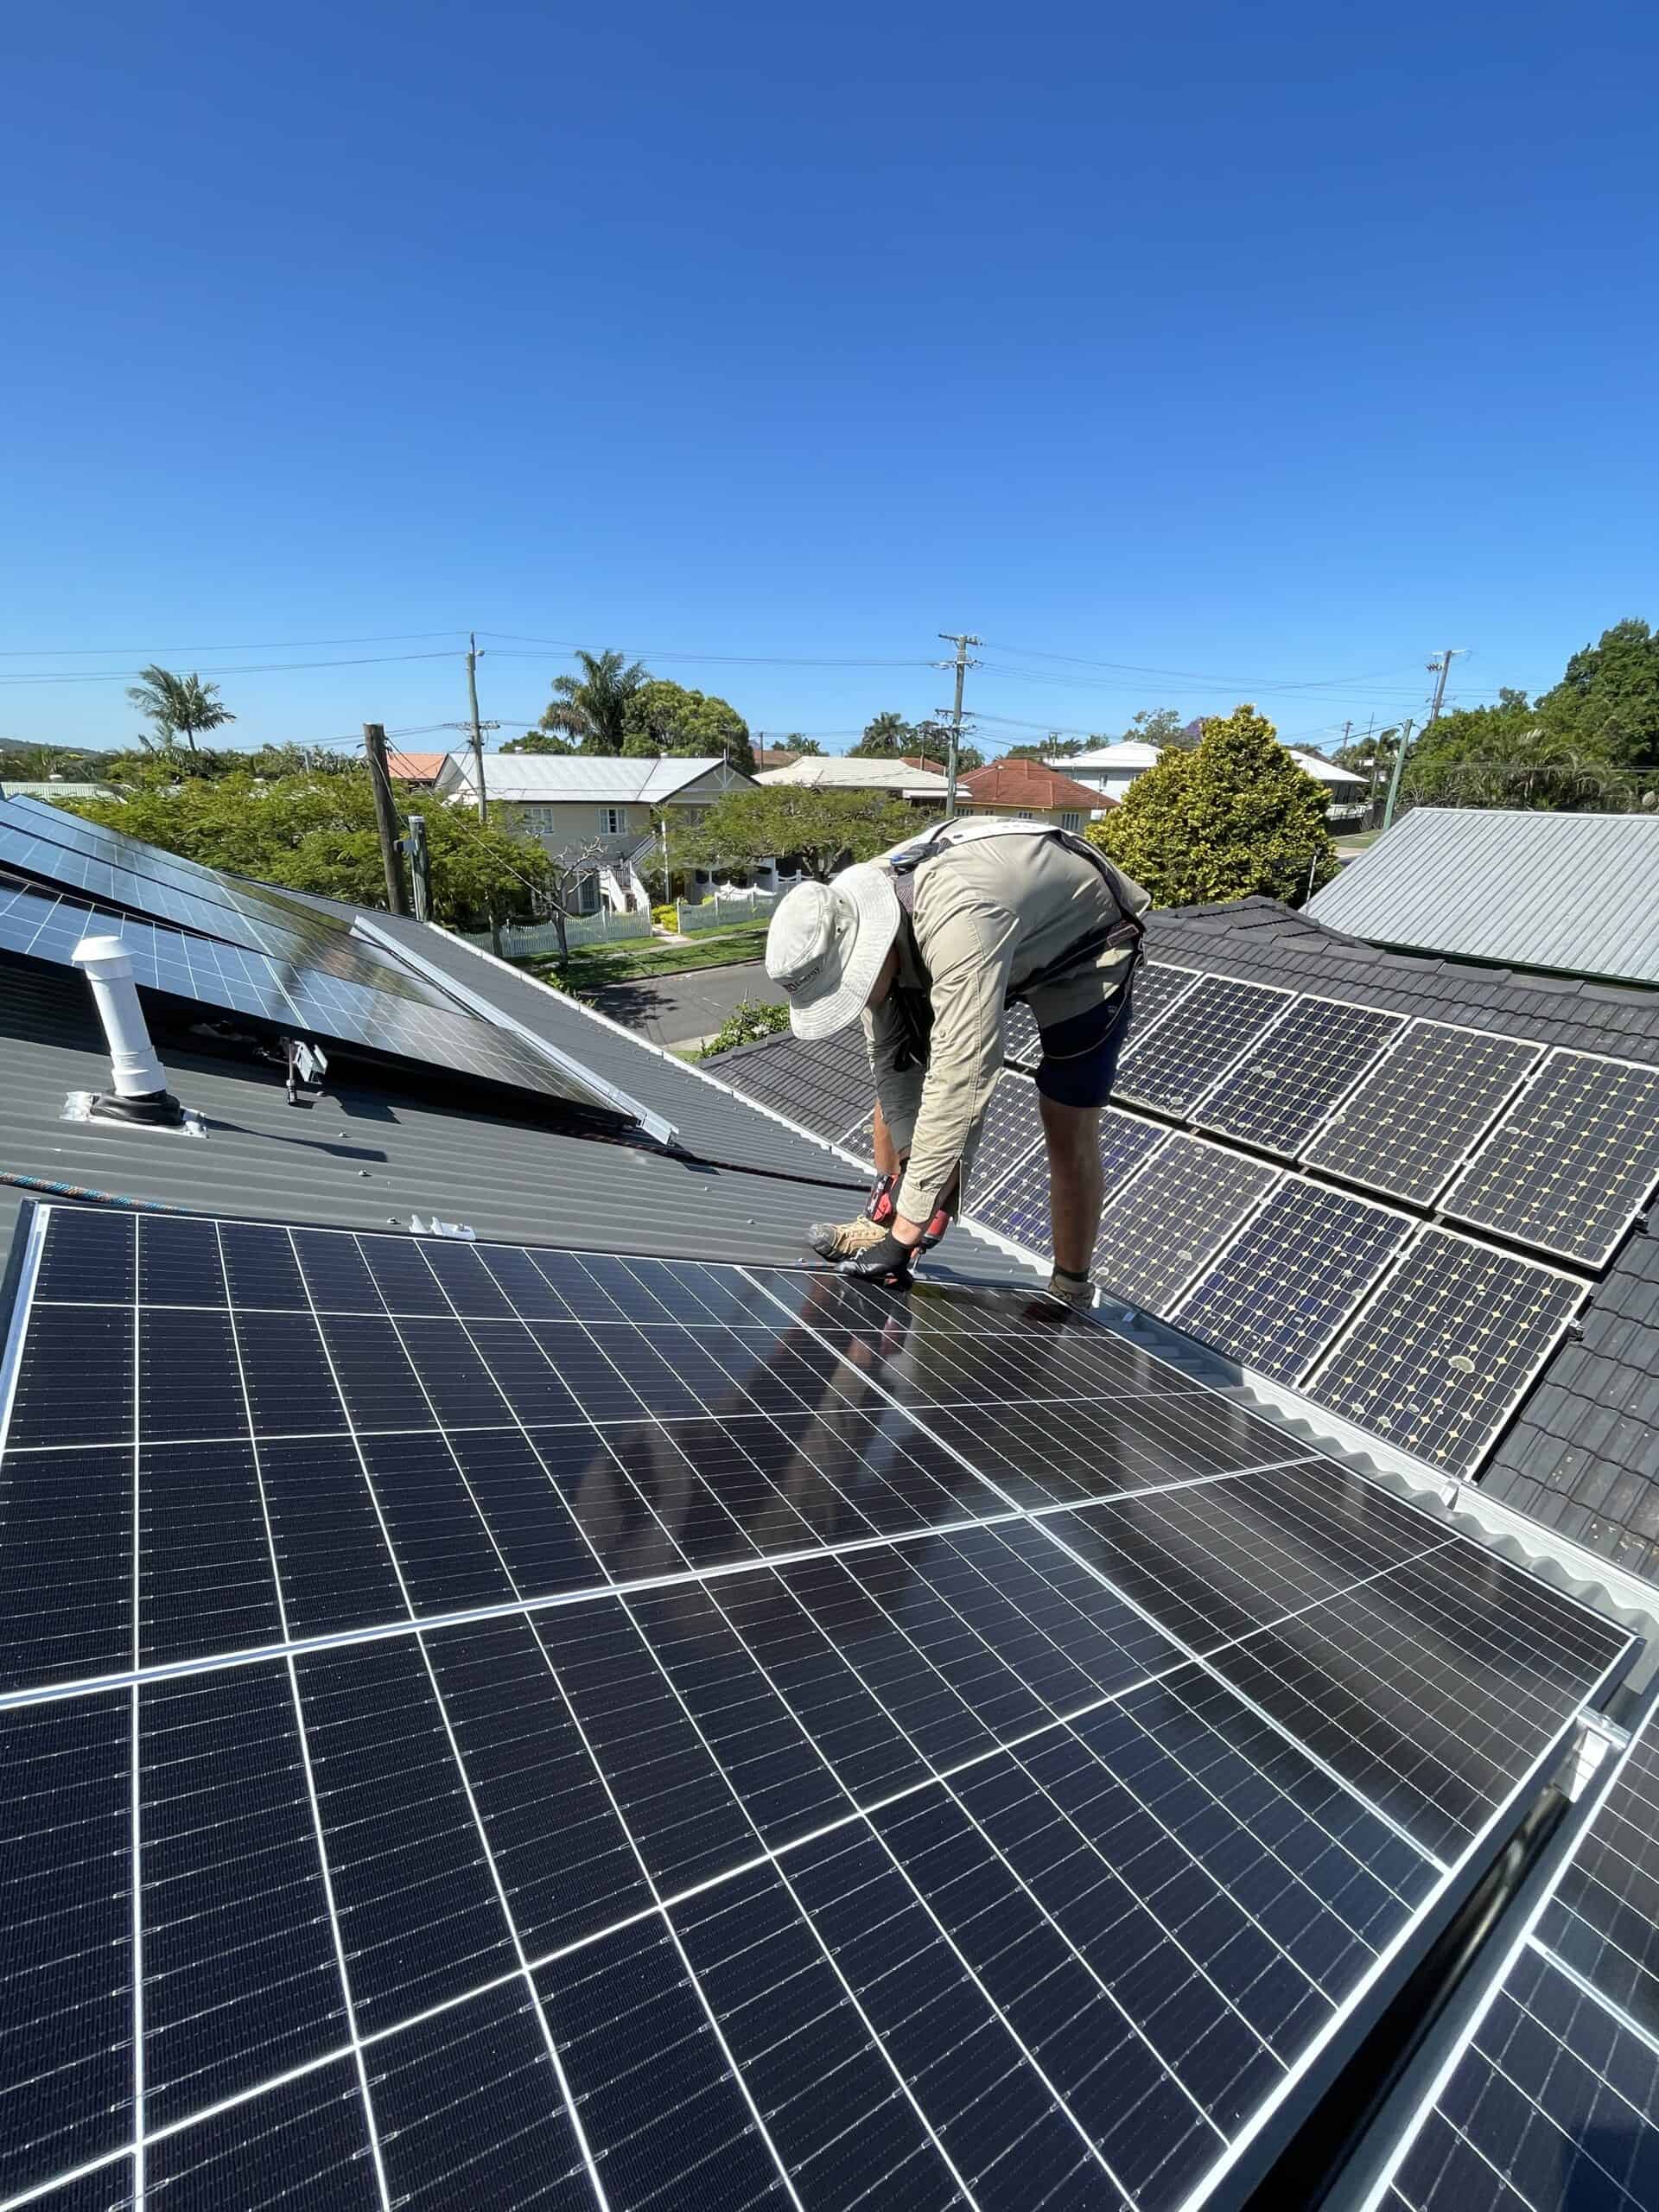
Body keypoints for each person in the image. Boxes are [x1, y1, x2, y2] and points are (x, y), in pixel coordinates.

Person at [764, 817, 1148, 1306]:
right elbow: (892, 1064)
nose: (851, 998)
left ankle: (1070, 1286)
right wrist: (919, 1191)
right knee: (899, 1090)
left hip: (1089, 947)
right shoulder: (845, 911)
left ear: (868, 950)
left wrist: (906, 1237)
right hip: (994, 921)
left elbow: (963, 1076)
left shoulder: (960, 923)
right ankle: (882, 1218)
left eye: (846, 988)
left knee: (1065, 1118)